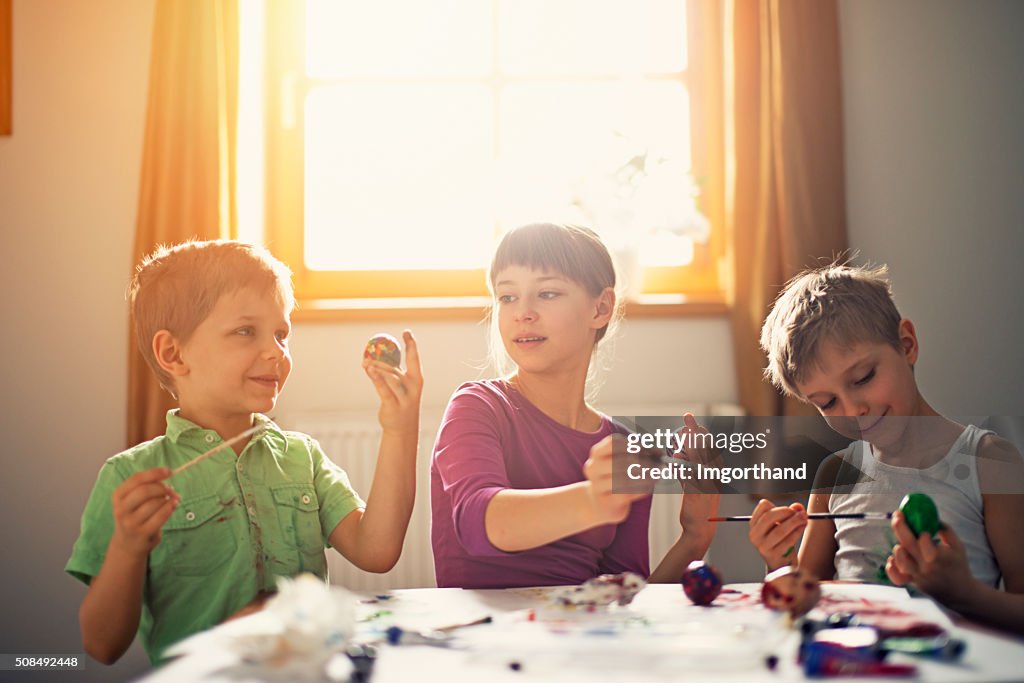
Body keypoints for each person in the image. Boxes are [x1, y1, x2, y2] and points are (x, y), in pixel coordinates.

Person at [66, 240, 423, 664]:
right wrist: (128, 547)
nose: (276, 351)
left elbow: (377, 550)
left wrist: (399, 430)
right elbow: (102, 645)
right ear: (173, 353)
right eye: (245, 331)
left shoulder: (301, 458)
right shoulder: (130, 477)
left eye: (281, 333)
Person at [431, 222, 718, 589]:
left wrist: (695, 538)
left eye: (547, 293)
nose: (523, 312)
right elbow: (480, 523)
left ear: (600, 308)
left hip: (580, 640)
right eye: (507, 297)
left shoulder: (622, 443)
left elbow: (622, 594)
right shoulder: (477, 406)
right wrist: (593, 501)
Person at [750, 262, 1024, 633]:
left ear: (907, 345)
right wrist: (778, 564)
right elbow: (803, 600)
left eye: (863, 378)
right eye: (827, 403)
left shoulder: (990, 463)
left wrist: (964, 594)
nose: (852, 410)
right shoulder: (835, 475)